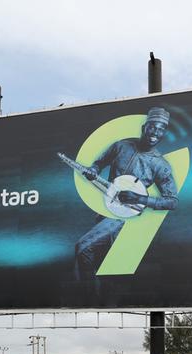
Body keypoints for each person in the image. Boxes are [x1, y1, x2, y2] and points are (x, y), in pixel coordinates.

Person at [74, 106, 179, 280]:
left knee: (84, 248)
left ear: (164, 134)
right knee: (103, 266)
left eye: (161, 129)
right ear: (144, 127)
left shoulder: (161, 165)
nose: (155, 132)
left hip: (126, 220)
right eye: (152, 127)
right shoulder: (121, 146)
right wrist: (93, 170)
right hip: (105, 212)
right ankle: (94, 295)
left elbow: (172, 201)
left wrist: (140, 198)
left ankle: (89, 294)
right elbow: (99, 163)